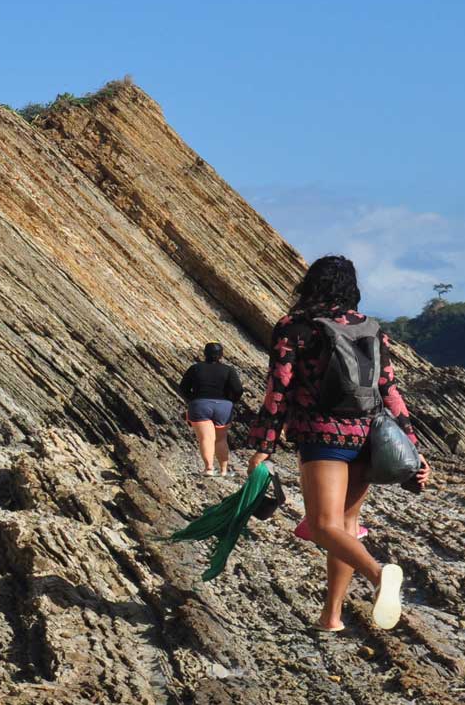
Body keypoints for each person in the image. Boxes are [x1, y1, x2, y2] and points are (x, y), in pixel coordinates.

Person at [242, 255, 431, 632]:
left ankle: (379, 576)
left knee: (322, 524)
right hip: (367, 435)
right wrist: (412, 445)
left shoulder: (295, 326)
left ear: (311, 283)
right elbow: (389, 389)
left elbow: (278, 386)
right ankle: (331, 618)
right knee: (345, 526)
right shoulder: (370, 328)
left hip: (321, 435)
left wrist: (264, 443)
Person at [180, 342, 245, 477]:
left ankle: (209, 469)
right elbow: (238, 389)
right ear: (221, 355)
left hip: (200, 404)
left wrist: (192, 400)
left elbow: (183, 387)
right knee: (221, 439)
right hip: (223, 406)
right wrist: (230, 401)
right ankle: (223, 470)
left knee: (206, 438)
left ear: (205, 354)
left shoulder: (195, 368)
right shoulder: (228, 370)